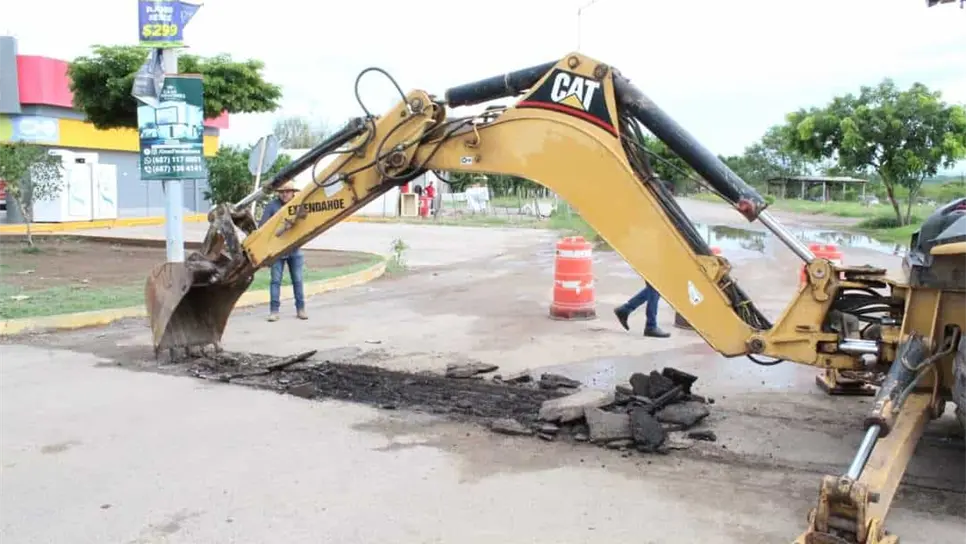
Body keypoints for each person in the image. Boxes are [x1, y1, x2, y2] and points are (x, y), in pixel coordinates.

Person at [613, 176, 676, 338]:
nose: (671, 199)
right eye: (669, 195)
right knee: (656, 288)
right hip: (648, 253)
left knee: (656, 288)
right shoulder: (652, 208)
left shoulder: (650, 206)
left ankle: (626, 310)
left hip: (647, 252)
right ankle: (650, 325)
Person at [259, 181, 308, 322]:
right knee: (275, 281)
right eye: (282, 192)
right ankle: (274, 311)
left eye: (287, 191)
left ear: (293, 193)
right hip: (277, 250)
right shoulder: (271, 206)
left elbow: (306, 222)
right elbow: (262, 227)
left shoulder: (299, 205)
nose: (285, 194)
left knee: (298, 280)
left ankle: (301, 309)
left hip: (294, 248)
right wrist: (281, 227)